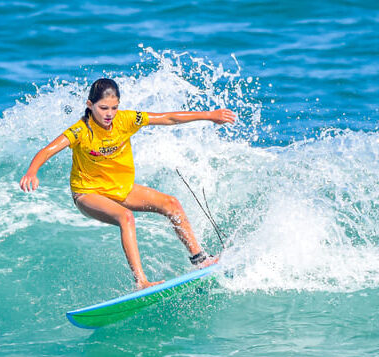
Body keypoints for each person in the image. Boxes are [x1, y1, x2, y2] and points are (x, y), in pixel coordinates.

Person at [19, 78, 237, 289]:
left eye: (114, 108)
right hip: (88, 193)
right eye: (103, 108)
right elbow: (48, 150)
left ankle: (200, 259)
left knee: (171, 204)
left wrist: (210, 115)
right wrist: (32, 171)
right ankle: (141, 281)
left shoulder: (127, 119)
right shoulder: (81, 131)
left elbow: (168, 118)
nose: (109, 114)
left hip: (120, 188)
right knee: (126, 217)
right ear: (90, 105)